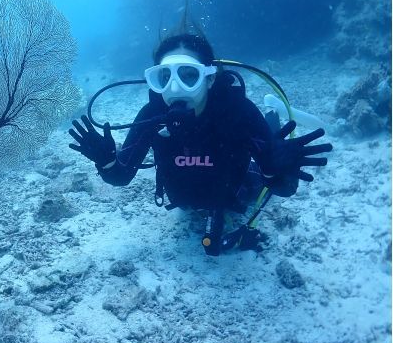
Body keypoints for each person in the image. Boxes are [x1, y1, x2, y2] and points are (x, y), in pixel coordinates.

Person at [68, 30, 333, 255]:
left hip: (236, 192)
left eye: (189, 75)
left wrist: (277, 168)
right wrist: (106, 162)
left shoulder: (238, 111)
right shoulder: (152, 115)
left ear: (210, 78)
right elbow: (121, 176)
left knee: (270, 151)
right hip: (183, 201)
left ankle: (272, 116)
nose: (174, 88)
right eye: (164, 77)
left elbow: (283, 189)